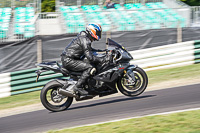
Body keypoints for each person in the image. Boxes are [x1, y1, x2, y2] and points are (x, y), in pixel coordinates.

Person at [61, 23, 110, 96]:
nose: (99, 34)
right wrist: (102, 60)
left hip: (69, 59)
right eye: (98, 32)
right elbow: (90, 57)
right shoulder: (85, 40)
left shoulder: (85, 38)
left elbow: (90, 50)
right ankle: (78, 87)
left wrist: (103, 51)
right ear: (92, 31)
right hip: (69, 60)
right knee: (90, 68)